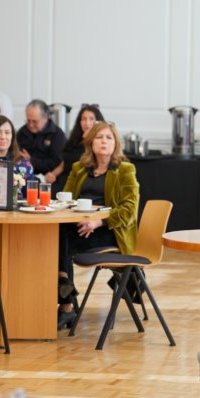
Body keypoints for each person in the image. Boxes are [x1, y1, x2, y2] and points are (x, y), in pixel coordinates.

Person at [57, 121, 140, 330]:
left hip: (111, 231)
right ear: (91, 142)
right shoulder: (79, 168)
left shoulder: (125, 170)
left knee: (60, 240)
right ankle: (64, 292)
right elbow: (66, 200)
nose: (104, 141)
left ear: (115, 144)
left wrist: (98, 221)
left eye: (109, 137)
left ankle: (65, 302)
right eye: (99, 137)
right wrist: (78, 218)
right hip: (78, 227)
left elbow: (130, 209)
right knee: (56, 234)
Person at [17, 100, 65, 186]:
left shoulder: (57, 134)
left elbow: (56, 162)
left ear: (45, 117)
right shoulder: (22, 132)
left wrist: (31, 160)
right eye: (28, 121)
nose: (31, 125)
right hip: (24, 178)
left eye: (34, 121)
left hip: (48, 180)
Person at [60, 104, 104, 192]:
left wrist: (88, 139)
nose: (87, 123)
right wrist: (53, 174)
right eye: (84, 119)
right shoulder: (74, 139)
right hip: (64, 178)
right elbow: (64, 161)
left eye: (91, 119)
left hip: (83, 182)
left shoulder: (100, 143)